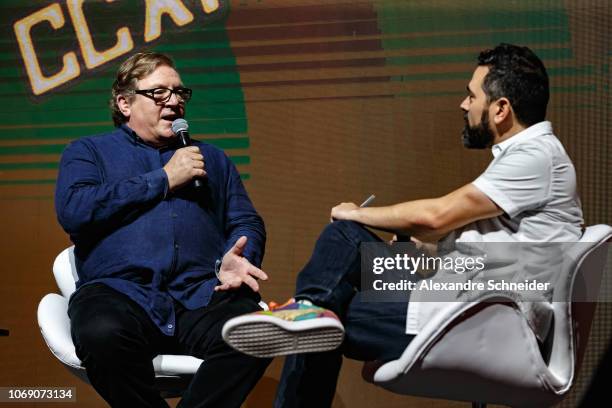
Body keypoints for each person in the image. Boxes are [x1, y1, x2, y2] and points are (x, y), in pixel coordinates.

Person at [222, 43, 584, 407]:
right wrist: (424, 250)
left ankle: (306, 307)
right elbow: (483, 248)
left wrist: (355, 212)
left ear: (501, 108)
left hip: (479, 320)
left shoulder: (536, 156)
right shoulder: (534, 156)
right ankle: (308, 306)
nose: (464, 105)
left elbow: (436, 216)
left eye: (471, 96)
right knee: (337, 265)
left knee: (328, 307)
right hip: (467, 301)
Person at [55, 51, 271, 408]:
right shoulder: (88, 152)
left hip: (200, 292)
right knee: (100, 333)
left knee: (260, 333)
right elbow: (76, 211)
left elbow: (245, 220)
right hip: (120, 292)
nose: (174, 101)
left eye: (179, 93)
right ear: (125, 103)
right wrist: (164, 178)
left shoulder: (212, 158)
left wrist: (239, 255)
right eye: (159, 93)